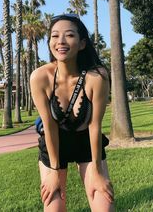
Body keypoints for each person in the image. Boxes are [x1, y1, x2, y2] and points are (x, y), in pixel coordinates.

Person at [30, 14, 114, 212]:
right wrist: (53, 171)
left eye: (69, 35)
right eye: (54, 36)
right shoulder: (40, 77)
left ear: (82, 43)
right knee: (54, 207)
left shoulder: (97, 77)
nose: (60, 41)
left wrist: (98, 171)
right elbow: (49, 126)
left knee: (105, 205)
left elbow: (95, 126)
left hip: (87, 142)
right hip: (55, 146)